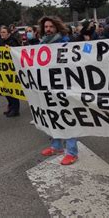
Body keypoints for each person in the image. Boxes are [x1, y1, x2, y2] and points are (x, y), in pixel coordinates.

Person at [38, 16, 78, 165]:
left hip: (64, 86)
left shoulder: (65, 42)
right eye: (46, 27)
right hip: (48, 85)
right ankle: (56, 146)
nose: (48, 29)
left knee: (68, 117)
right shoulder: (42, 43)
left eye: (51, 27)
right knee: (53, 116)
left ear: (57, 28)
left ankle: (72, 152)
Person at [0, 26, 22, 116]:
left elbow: (18, 52)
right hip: (4, 69)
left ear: (9, 33)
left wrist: (10, 48)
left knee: (12, 90)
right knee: (6, 90)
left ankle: (15, 110)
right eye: (1, 32)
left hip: (12, 70)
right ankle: (10, 107)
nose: (1, 34)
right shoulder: (0, 41)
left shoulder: (13, 41)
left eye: (3, 32)